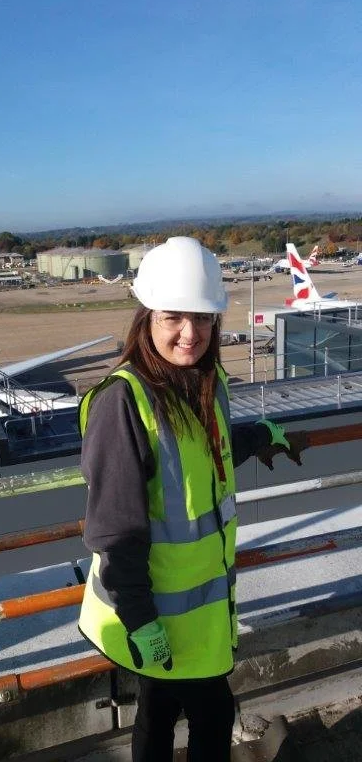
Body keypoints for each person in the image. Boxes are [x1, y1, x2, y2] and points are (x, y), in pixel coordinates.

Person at [78, 237, 307, 762]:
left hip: (194, 615)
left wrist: (256, 437)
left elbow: (205, 457)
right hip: (153, 615)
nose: (191, 333)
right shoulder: (124, 402)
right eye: (173, 317)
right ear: (146, 318)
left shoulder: (202, 382)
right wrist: (139, 620)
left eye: (203, 317)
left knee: (157, 714)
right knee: (212, 715)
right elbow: (116, 531)